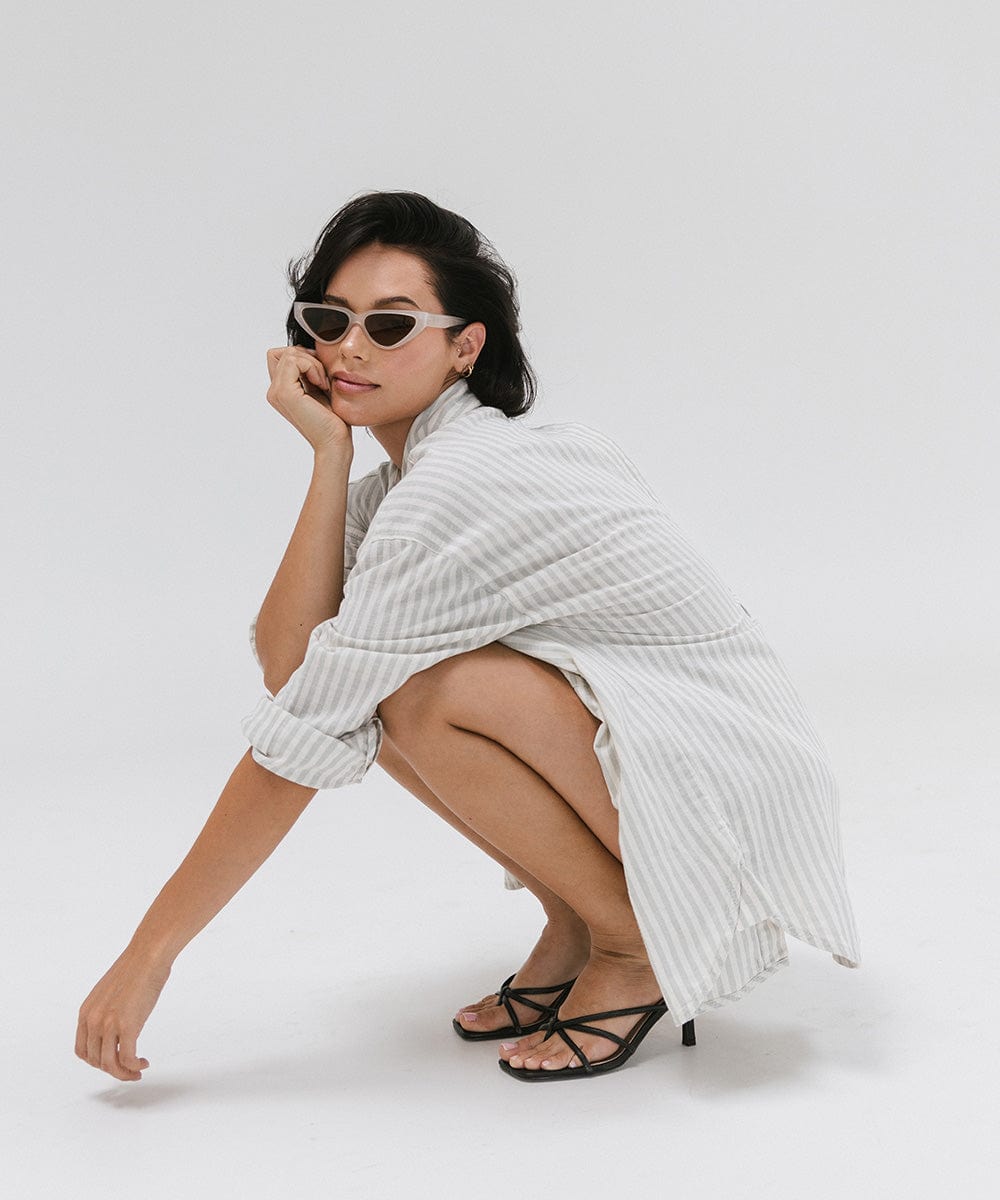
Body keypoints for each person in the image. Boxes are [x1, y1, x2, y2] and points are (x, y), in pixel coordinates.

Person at [76, 191, 861, 1084]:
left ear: (465, 346)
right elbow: (292, 663)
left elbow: (302, 718)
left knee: (424, 691)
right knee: (388, 682)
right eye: (329, 321)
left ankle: (632, 944)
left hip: (729, 788)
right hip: (680, 757)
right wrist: (330, 456)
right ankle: (579, 921)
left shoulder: (458, 488)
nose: (350, 349)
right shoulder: (407, 486)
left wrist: (150, 955)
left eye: (392, 324)